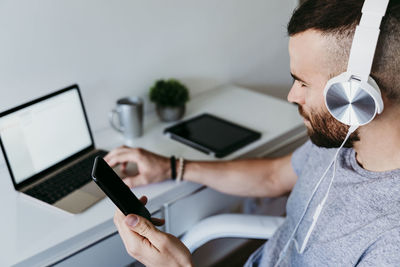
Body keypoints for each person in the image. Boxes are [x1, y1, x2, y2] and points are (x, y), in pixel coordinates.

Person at [107, 0, 400, 266]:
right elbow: (273, 175)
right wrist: (172, 167)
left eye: (303, 83)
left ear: (359, 97)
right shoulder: (345, 140)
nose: (292, 96)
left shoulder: (391, 245)